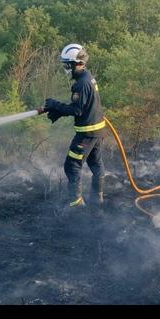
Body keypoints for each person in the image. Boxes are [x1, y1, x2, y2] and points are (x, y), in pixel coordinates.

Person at [39, 43, 106, 209]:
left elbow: (77, 110)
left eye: (67, 65)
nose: (65, 68)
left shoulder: (81, 84)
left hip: (86, 134)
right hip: (97, 131)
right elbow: (83, 106)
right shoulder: (88, 77)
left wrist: (55, 105)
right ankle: (97, 200)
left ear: (75, 63)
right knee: (96, 163)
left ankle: (76, 206)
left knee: (72, 166)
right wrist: (59, 111)